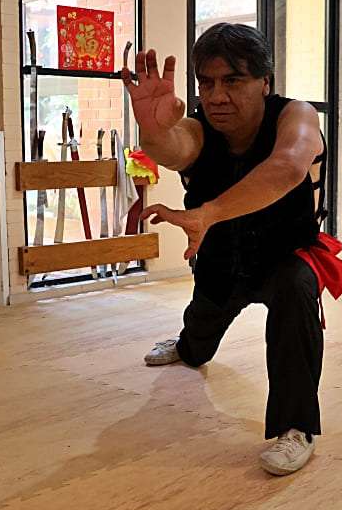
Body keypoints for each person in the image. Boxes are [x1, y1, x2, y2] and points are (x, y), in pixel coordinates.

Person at [122, 24, 327, 476]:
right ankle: (187, 346)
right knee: (198, 339)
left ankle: (296, 427)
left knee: (296, 293)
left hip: (285, 254)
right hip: (222, 256)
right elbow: (174, 147)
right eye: (207, 83)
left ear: (264, 82)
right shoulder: (199, 129)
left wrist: (209, 212)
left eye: (232, 81)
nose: (216, 96)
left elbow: (288, 165)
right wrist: (152, 131)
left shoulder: (296, 116)